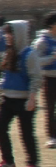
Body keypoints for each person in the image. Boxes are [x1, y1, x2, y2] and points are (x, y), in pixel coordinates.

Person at [0, 21, 41, 167]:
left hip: (24, 100)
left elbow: (36, 78)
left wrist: (32, 98)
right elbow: (6, 75)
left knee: (26, 133)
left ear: (18, 35)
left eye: (9, 33)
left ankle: (32, 164)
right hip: (7, 99)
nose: (6, 36)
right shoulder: (8, 52)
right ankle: (8, 162)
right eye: (5, 33)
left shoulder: (29, 54)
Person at [33, 12, 56, 148]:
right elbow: (35, 61)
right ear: (52, 24)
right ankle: (52, 136)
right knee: (50, 108)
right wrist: (52, 58)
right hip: (50, 79)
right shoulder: (42, 41)